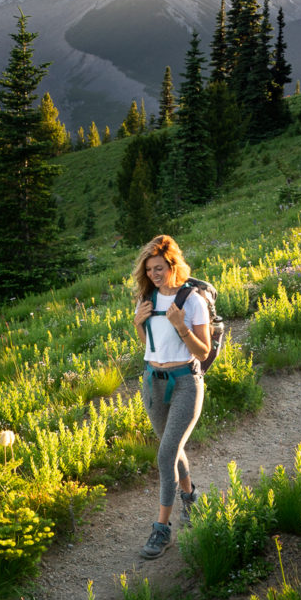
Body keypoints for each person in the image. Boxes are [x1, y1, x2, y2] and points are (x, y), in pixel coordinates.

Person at [132, 234, 210, 558]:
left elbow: (203, 351)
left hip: (185, 384)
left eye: (159, 267)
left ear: (172, 265)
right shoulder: (146, 298)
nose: (154, 274)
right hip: (153, 383)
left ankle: (161, 530)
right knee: (172, 450)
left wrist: (182, 327)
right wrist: (138, 323)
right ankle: (190, 498)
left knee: (165, 455)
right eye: (150, 269)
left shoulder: (192, 300)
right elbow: (148, 345)